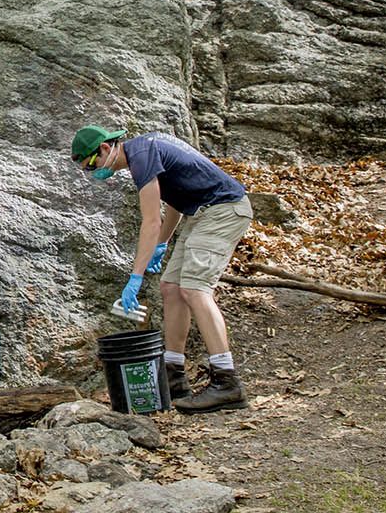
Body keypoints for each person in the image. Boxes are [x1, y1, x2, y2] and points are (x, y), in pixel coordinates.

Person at [71, 124, 254, 413]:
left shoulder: (140, 155)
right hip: (202, 213)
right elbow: (175, 206)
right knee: (171, 288)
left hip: (224, 209)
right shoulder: (143, 151)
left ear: (105, 148)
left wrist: (135, 277)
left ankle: (227, 381)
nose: (95, 172)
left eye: (92, 164)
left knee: (195, 289)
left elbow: (150, 221)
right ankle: (174, 374)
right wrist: (162, 245)